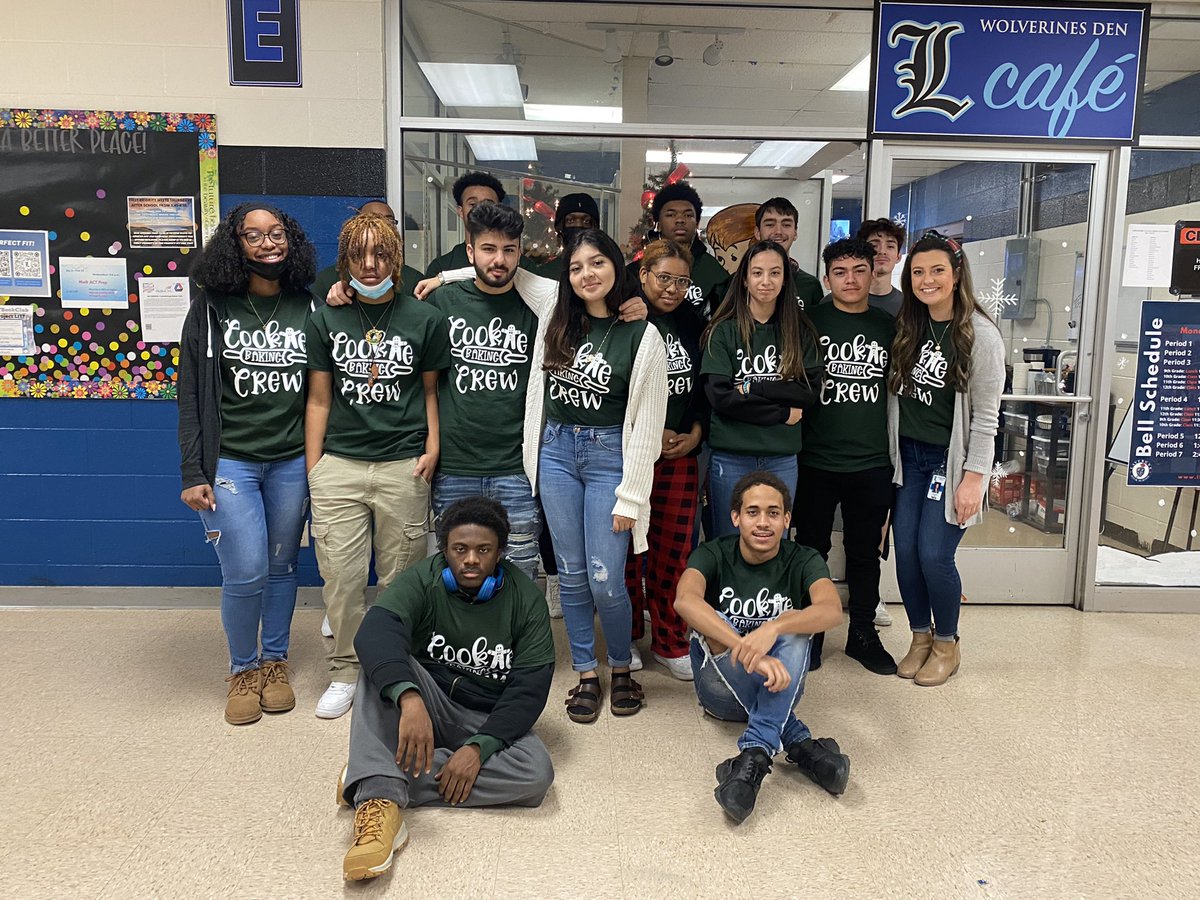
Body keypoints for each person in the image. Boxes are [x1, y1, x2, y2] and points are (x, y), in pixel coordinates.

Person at [339, 497, 555, 881]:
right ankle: (378, 802)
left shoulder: (526, 599)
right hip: (429, 697)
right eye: (460, 549)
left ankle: (372, 775)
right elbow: (375, 631)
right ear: (444, 550)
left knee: (535, 774)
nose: (470, 559)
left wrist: (479, 747)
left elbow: (530, 689)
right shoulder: (424, 578)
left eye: (483, 550)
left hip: (485, 714)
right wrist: (410, 698)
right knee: (381, 664)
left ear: (500, 553)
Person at [305, 211, 451, 718]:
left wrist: (432, 447)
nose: (370, 265)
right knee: (342, 579)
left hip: (403, 465)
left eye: (381, 254)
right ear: (344, 261)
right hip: (339, 467)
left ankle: (393, 668)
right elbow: (318, 399)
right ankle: (345, 671)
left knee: (400, 580)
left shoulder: (424, 319)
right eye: (359, 255)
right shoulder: (326, 319)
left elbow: (430, 392)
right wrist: (315, 469)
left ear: (397, 258)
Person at [179, 202, 317, 726]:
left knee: (282, 566)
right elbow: (190, 394)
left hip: (291, 462)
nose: (267, 244)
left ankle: (275, 662)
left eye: (276, 233)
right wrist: (193, 472)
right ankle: (243, 668)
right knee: (245, 570)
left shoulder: (307, 304)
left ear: (290, 240)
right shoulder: (211, 308)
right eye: (253, 235)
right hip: (230, 462)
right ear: (234, 244)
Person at [532, 228, 667, 722]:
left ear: (616, 266)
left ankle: (622, 665)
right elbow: (504, 273)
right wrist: (442, 279)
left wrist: (632, 496)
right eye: (576, 267)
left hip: (610, 456)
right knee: (570, 576)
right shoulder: (555, 312)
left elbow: (649, 424)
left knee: (606, 578)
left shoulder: (643, 335)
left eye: (597, 263)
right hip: (555, 453)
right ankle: (587, 672)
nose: (587, 274)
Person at [674, 471, 850, 824]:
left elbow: (831, 610)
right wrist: (745, 647)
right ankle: (797, 741)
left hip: (780, 684)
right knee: (713, 621)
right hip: (721, 692)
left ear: (787, 519)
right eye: (752, 512)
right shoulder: (713, 553)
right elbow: (684, 601)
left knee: (798, 623)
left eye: (773, 513)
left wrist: (776, 626)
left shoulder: (803, 558)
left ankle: (755, 751)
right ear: (735, 517)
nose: (763, 522)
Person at [887, 230, 1004, 686]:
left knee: (934, 555)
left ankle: (946, 643)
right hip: (910, 459)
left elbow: (987, 418)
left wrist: (974, 477)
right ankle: (919, 636)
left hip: (948, 463)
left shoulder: (980, 335)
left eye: (937, 270)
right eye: (918, 272)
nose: (927, 280)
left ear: (956, 275)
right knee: (906, 553)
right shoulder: (909, 327)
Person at [794, 239, 898, 676]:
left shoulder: (888, 326)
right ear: (827, 279)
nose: (851, 279)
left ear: (873, 273)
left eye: (859, 270)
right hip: (815, 459)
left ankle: (862, 634)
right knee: (810, 550)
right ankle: (812, 633)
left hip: (871, 461)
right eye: (840, 272)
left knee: (863, 552)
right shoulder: (808, 323)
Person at [426, 201, 541, 583]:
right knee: (456, 574)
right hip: (455, 466)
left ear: (520, 252)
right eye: (489, 249)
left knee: (521, 572)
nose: (499, 260)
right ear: (470, 250)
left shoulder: (537, 305)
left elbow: (583, 289)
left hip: (515, 469)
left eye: (509, 250)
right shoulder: (443, 302)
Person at [623, 239, 708, 681]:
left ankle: (670, 640)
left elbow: (704, 387)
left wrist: (695, 433)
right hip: (630, 454)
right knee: (626, 552)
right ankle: (627, 634)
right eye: (663, 278)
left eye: (682, 281)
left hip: (679, 455)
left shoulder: (694, 322)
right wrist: (649, 432)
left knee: (673, 552)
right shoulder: (625, 317)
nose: (672, 289)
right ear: (643, 275)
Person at [701, 240, 822, 537]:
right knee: (729, 542)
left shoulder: (800, 331)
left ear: (785, 279)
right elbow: (721, 398)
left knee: (773, 542)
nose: (766, 281)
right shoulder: (724, 331)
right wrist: (782, 413)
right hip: (730, 456)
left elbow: (807, 392)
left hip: (781, 457)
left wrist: (754, 386)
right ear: (744, 279)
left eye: (774, 273)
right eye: (757, 273)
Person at [629, 181, 728, 320]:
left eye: (688, 215)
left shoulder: (714, 272)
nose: (680, 220)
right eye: (671, 215)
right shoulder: (633, 272)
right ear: (657, 223)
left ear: (697, 223)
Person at [426, 172, 530, 278]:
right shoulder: (441, 267)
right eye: (473, 204)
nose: (480, 209)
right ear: (460, 211)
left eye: (488, 204)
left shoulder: (524, 266)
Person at [754, 197, 823, 307]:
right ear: (757, 232)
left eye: (786, 225)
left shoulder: (811, 286)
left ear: (795, 233)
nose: (778, 231)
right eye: (770, 224)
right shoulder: (737, 282)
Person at [531, 191, 599, 279]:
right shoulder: (547, 273)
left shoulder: (604, 271)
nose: (578, 226)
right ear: (560, 228)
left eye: (586, 221)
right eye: (570, 221)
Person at [856, 217, 907, 317]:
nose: (882, 251)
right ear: (861, 254)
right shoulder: (838, 301)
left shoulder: (908, 306)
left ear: (898, 257)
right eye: (874, 246)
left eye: (890, 246)